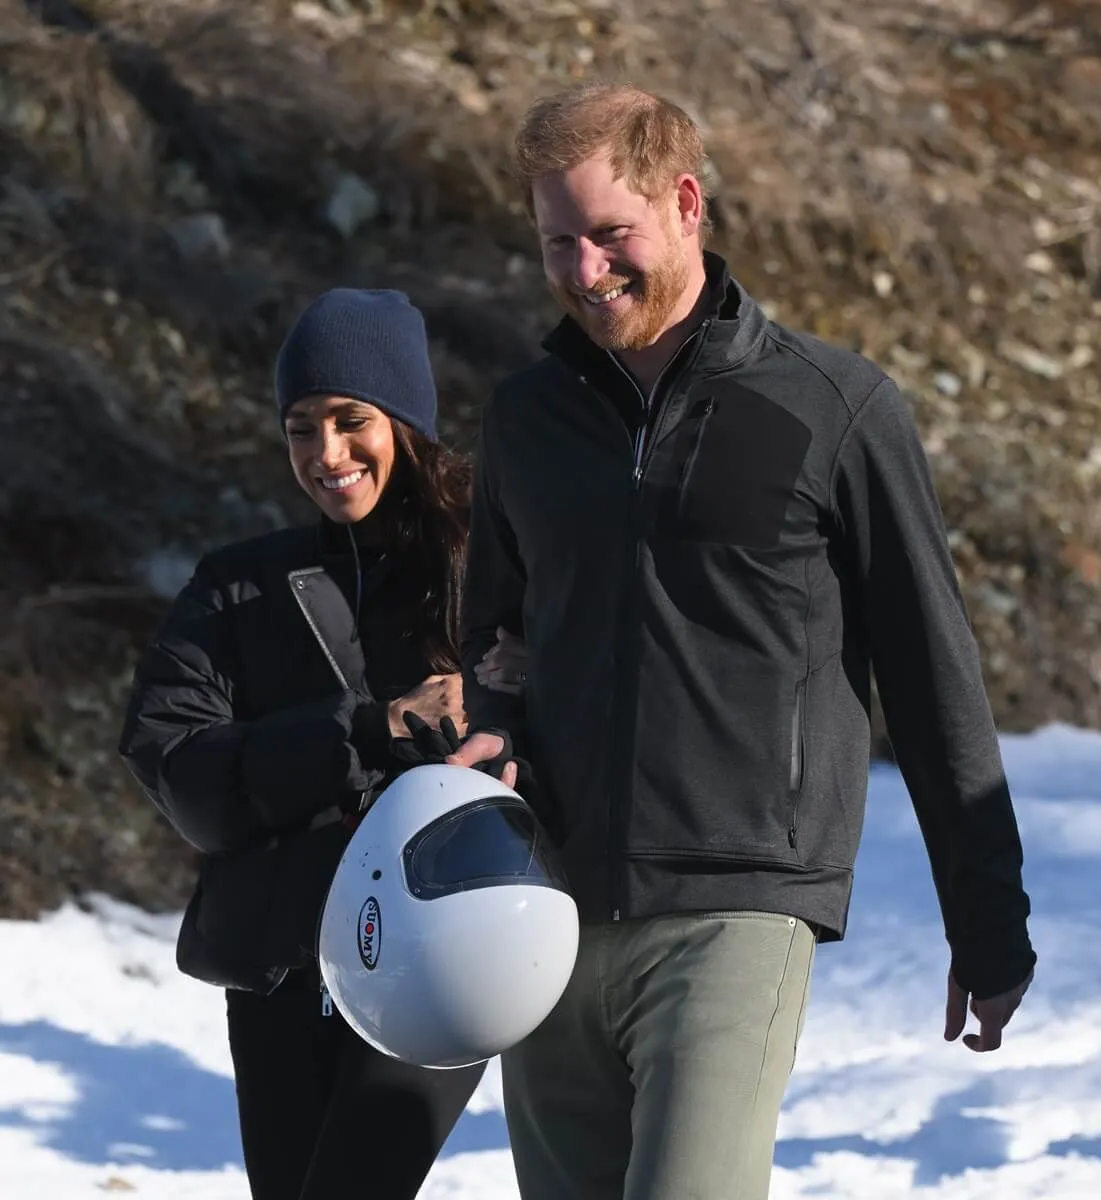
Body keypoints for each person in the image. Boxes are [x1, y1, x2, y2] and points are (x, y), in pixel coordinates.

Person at [448, 83, 1037, 1200]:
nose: (583, 272)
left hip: (739, 902)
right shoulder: (526, 419)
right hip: (551, 915)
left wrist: (987, 916)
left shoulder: (834, 409)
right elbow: (498, 637)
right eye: (556, 244)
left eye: (609, 235)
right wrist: (496, 733)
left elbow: (931, 674)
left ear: (684, 203)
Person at [117, 288, 524, 1200]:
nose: (326, 454)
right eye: (302, 428)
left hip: (438, 951)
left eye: (351, 421)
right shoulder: (236, 588)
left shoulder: (488, 573)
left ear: (405, 423)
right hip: (281, 965)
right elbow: (179, 771)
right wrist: (367, 728)